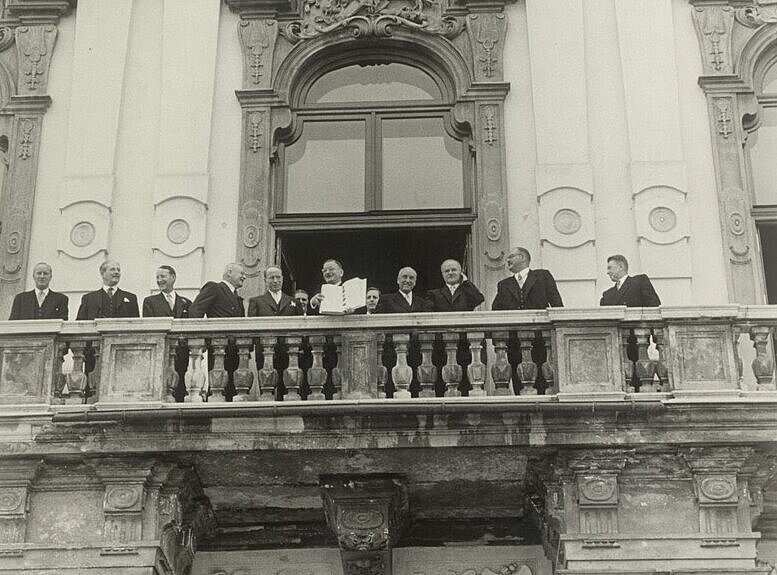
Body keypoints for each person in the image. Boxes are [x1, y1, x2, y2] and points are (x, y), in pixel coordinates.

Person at [491, 247, 563, 310]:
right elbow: (496, 311)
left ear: (522, 257)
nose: (507, 260)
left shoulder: (542, 276)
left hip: (539, 324)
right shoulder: (504, 284)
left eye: (511, 257)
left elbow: (557, 304)